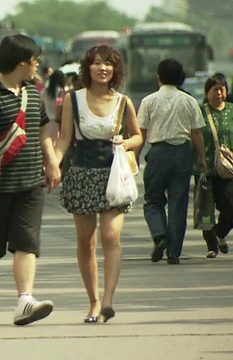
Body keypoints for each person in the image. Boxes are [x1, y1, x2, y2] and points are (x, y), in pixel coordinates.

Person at [0, 34, 58, 326]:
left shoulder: (32, 93)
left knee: (26, 243)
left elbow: (43, 130)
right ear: (21, 62)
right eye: (35, 61)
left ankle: (24, 301)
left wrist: (52, 161)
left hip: (30, 183)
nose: (38, 66)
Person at [53, 45, 142, 323]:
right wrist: (53, 164)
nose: (103, 68)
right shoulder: (73, 99)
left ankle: (107, 301)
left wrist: (126, 142)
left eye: (109, 64)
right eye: (97, 63)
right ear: (87, 67)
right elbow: (65, 139)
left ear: (115, 70)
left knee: (111, 237)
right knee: (86, 242)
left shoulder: (123, 101)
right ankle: (92, 301)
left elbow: (138, 135)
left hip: (113, 175)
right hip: (81, 173)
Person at [137, 58, 207, 265]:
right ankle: (174, 252)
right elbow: (196, 134)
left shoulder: (149, 101)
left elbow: (140, 134)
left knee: (153, 200)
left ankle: (160, 236)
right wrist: (202, 158)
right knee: (178, 203)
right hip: (183, 154)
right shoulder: (189, 101)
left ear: (158, 77)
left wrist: (133, 158)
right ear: (181, 78)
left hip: (158, 154)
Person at [195, 74, 233, 258]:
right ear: (207, 92)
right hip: (205, 167)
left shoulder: (232, 109)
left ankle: (220, 233)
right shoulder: (200, 111)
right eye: (215, 90)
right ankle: (211, 246)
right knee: (206, 209)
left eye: (222, 89)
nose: (219, 93)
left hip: (227, 167)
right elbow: (194, 135)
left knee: (231, 206)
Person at [42, 69, 65, 145]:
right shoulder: (61, 91)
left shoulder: (44, 91)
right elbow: (61, 104)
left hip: (46, 120)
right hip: (57, 121)